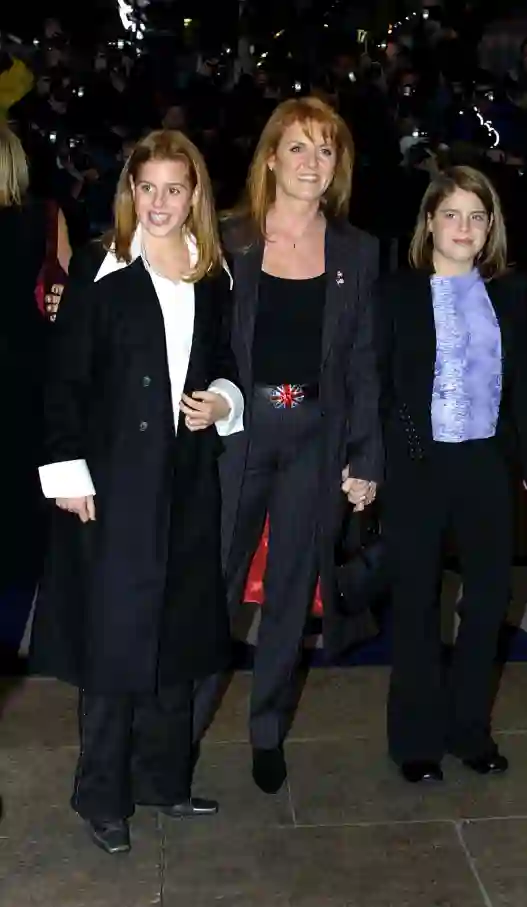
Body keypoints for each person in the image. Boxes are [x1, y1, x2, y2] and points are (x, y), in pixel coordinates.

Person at [30, 129, 244, 854]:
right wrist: (67, 473)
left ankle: (163, 779)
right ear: (129, 192)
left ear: (195, 197)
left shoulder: (211, 272)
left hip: (186, 480)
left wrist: (222, 399)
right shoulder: (100, 266)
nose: (158, 202)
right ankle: (102, 793)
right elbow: (63, 379)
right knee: (115, 643)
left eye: (173, 188)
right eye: (146, 187)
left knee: (179, 636)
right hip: (114, 484)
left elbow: (222, 361)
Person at [199, 96, 383, 795]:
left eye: (326, 150)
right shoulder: (230, 239)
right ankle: (179, 727)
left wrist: (367, 457)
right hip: (238, 435)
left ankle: (267, 731)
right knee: (213, 588)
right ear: (271, 156)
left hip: (316, 434)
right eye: (298, 147)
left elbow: (365, 362)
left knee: (287, 593)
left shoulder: (357, 251)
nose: (312, 162)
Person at [374, 165, 527, 784]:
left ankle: (469, 730)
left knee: (489, 598)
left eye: (478, 216)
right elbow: (382, 382)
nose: (465, 227)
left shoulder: (509, 291)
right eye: (452, 214)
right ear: (428, 221)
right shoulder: (397, 292)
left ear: (491, 227)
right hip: (419, 463)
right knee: (418, 601)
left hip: (485, 463)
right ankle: (416, 741)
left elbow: (522, 381)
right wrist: (374, 461)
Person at [0, 125, 69, 590]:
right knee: (23, 490)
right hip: (30, 362)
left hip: (23, 361)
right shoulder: (45, 217)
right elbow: (67, 288)